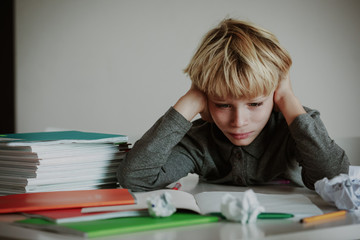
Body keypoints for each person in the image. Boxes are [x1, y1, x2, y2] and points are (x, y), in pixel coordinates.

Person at [117, 19, 349, 192]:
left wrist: (288, 99)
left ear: (275, 95)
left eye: (255, 103)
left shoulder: (294, 128)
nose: (239, 122)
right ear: (206, 100)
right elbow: (135, 178)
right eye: (223, 105)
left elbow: (336, 179)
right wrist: (189, 102)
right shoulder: (199, 142)